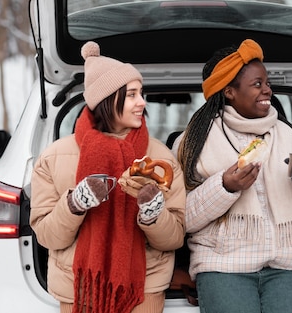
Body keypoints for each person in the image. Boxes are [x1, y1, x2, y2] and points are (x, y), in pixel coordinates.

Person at [173, 39, 292, 313]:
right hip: (223, 267)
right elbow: (181, 218)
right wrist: (225, 187)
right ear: (230, 92)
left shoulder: (288, 134)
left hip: (286, 265)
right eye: (257, 84)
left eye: (267, 82)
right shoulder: (195, 141)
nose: (267, 89)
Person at [30, 41, 186, 313]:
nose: (142, 103)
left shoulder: (162, 159)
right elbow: (48, 237)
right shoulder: (53, 158)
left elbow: (175, 238)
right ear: (106, 100)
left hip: (143, 288)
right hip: (80, 287)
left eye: (142, 94)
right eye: (132, 95)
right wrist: (74, 204)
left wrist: (153, 215)